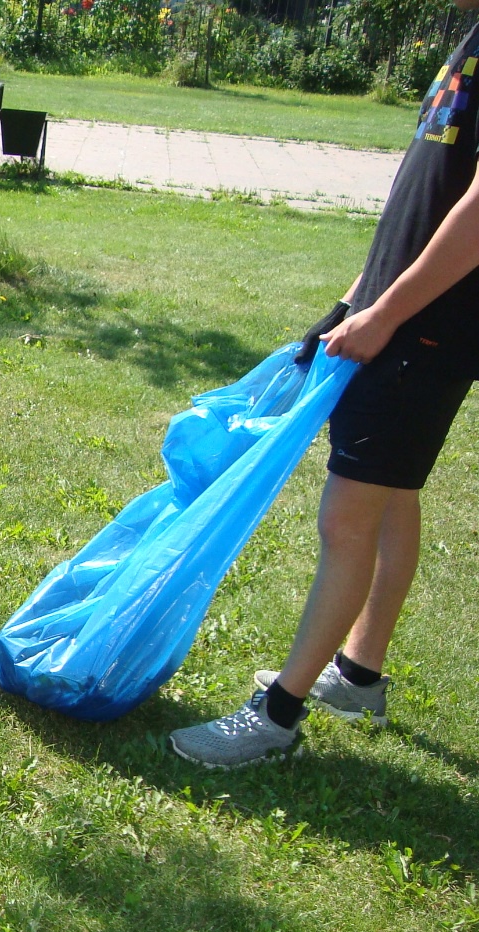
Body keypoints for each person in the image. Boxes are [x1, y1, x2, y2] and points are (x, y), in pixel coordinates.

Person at [170, 5, 479, 769]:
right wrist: (354, 301)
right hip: (400, 311)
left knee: (347, 516)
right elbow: (421, 200)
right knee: (390, 494)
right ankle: (358, 674)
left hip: (431, 327)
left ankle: (276, 716)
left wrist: (387, 314)